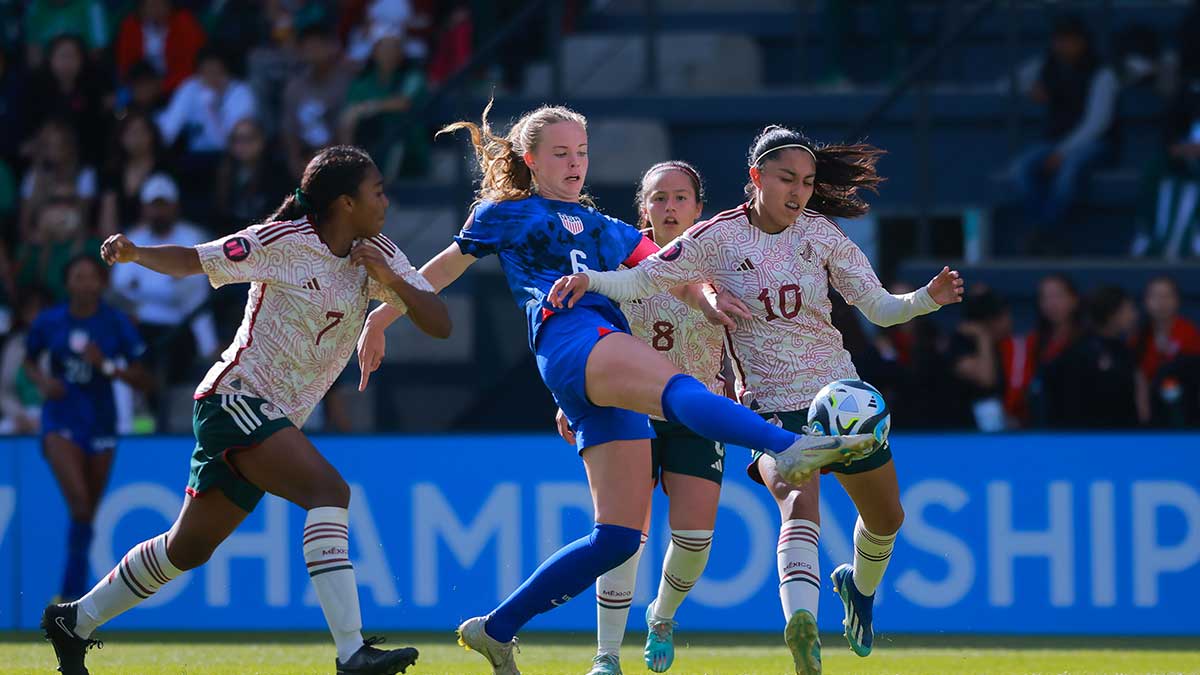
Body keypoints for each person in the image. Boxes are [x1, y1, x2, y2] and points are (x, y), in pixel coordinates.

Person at [355, 103, 877, 675]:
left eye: (581, 152)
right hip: (574, 338)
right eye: (560, 153)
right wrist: (381, 319)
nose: (575, 162)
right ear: (529, 160)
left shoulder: (605, 227)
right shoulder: (506, 213)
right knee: (676, 384)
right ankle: (788, 446)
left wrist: (707, 297)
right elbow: (442, 270)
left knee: (619, 538)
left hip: (593, 366)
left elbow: (668, 270)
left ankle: (495, 628)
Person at [550, 125, 964, 675]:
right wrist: (593, 283)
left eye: (808, 182)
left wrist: (924, 300)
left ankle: (858, 590)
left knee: (887, 518)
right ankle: (804, 632)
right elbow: (641, 281)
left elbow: (880, 308)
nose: (799, 192)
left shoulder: (822, 235)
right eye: (787, 179)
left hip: (841, 397)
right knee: (798, 505)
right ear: (756, 179)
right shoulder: (715, 239)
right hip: (768, 405)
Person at [41, 145, 450, 675]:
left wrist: (392, 282)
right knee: (329, 492)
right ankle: (352, 652)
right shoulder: (281, 242)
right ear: (346, 203)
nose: (385, 200)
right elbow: (196, 258)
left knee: (186, 549)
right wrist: (136, 253)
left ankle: (74, 620)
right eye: (377, 191)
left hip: (271, 416)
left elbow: (439, 323)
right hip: (235, 398)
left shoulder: (379, 253)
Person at [573, 161, 726, 675]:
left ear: (698, 208)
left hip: (697, 409)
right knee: (623, 532)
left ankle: (661, 616)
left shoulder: (722, 260)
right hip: (628, 408)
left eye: (681, 197)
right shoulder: (617, 258)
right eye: (659, 198)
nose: (669, 207)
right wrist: (567, 396)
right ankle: (606, 656)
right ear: (644, 207)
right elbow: (584, 337)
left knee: (695, 537)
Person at [24, 255, 153, 602]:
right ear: (68, 284)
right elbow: (28, 358)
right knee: (80, 505)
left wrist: (107, 366)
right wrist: (43, 382)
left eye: (90, 278)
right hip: (60, 418)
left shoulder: (116, 323)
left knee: (87, 516)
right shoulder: (50, 322)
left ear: (101, 284)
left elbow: (145, 379)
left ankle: (73, 600)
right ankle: (70, 596)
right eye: (77, 278)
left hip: (101, 420)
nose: (84, 284)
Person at [1010, 14, 1119, 245]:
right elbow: (1009, 81)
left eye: (1069, 40)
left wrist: (1064, 151)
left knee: (1068, 172)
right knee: (1020, 169)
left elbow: (1097, 123)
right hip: (1053, 142)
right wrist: (1031, 88)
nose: (1063, 46)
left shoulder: (1102, 73)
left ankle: (1047, 233)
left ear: (1082, 42)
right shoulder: (1046, 66)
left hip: (1096, 143)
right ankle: (1041, 229)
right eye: (1059, 40)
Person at [1134, 275, 1200, 424]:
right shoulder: (1138, 337)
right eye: (1155, 297)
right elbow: (1137, 377)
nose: (1161, 303)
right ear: (1146, 302)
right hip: (1150, 407)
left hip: (1185, 406)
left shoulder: (1189, 333)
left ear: (1177, 301)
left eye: (1167, 296)